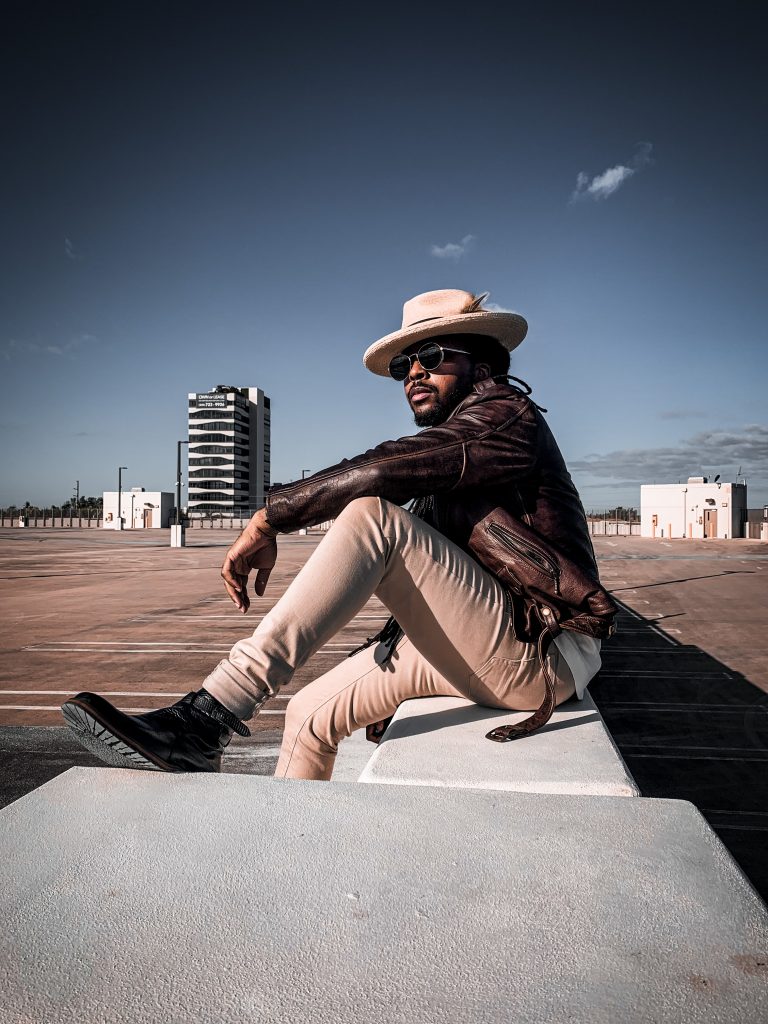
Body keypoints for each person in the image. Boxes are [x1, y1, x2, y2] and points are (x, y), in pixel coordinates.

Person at [62, 288, 605, 780]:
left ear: (481, 364)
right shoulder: (460, 445)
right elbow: (451, 579)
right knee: (307, 715)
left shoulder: (506, 416)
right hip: (498, 637)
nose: (414, 372)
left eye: (433, 357)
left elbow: (380, 473)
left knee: (373, 517)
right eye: (403, 365)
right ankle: (290, 866)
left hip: (543, 650)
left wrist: (268, 517)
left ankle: (209, 716)